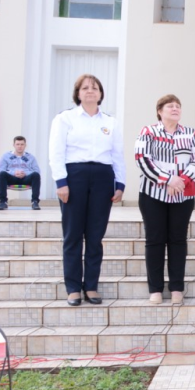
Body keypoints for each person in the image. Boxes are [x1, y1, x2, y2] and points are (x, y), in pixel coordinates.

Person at [49, 74, 126, 306]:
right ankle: (73, 288)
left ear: (101, 94)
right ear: (78, 93)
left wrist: (120, 183)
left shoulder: (110, 122)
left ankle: (91, 286)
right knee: (73, 234)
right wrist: (61, 182)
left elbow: (117, 154)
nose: (90, 91)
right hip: (74, 176)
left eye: (94, 88)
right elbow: (56, 152)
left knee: (95, 236)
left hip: (103, 178)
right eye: (85, 88)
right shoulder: (65, 118)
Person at [135, 95, 195, 305]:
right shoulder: (148, 131)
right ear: (160, 111)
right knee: (155, 240)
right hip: (152, 194)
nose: (175, 109)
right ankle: (155, 288)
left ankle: (176, 288)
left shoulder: (191, 133)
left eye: (178, 106)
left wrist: (180, 181)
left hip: (182, 195)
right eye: (170, 106)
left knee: (178, 240)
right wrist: (168, 180)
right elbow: (143, 160)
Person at [0, 136, 41, 210]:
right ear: (14, 145)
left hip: (25, 178)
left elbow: (37, 170)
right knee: (2, 174)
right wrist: (14, 173)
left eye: (22, 144)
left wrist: (25, 173)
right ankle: (3, 202)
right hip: (12, 178)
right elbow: (1, 170)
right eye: (17, 144)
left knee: (36, 175)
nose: (20, 146)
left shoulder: (31, 157)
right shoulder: (6, 156)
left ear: (25, 145)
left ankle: (35, 201)